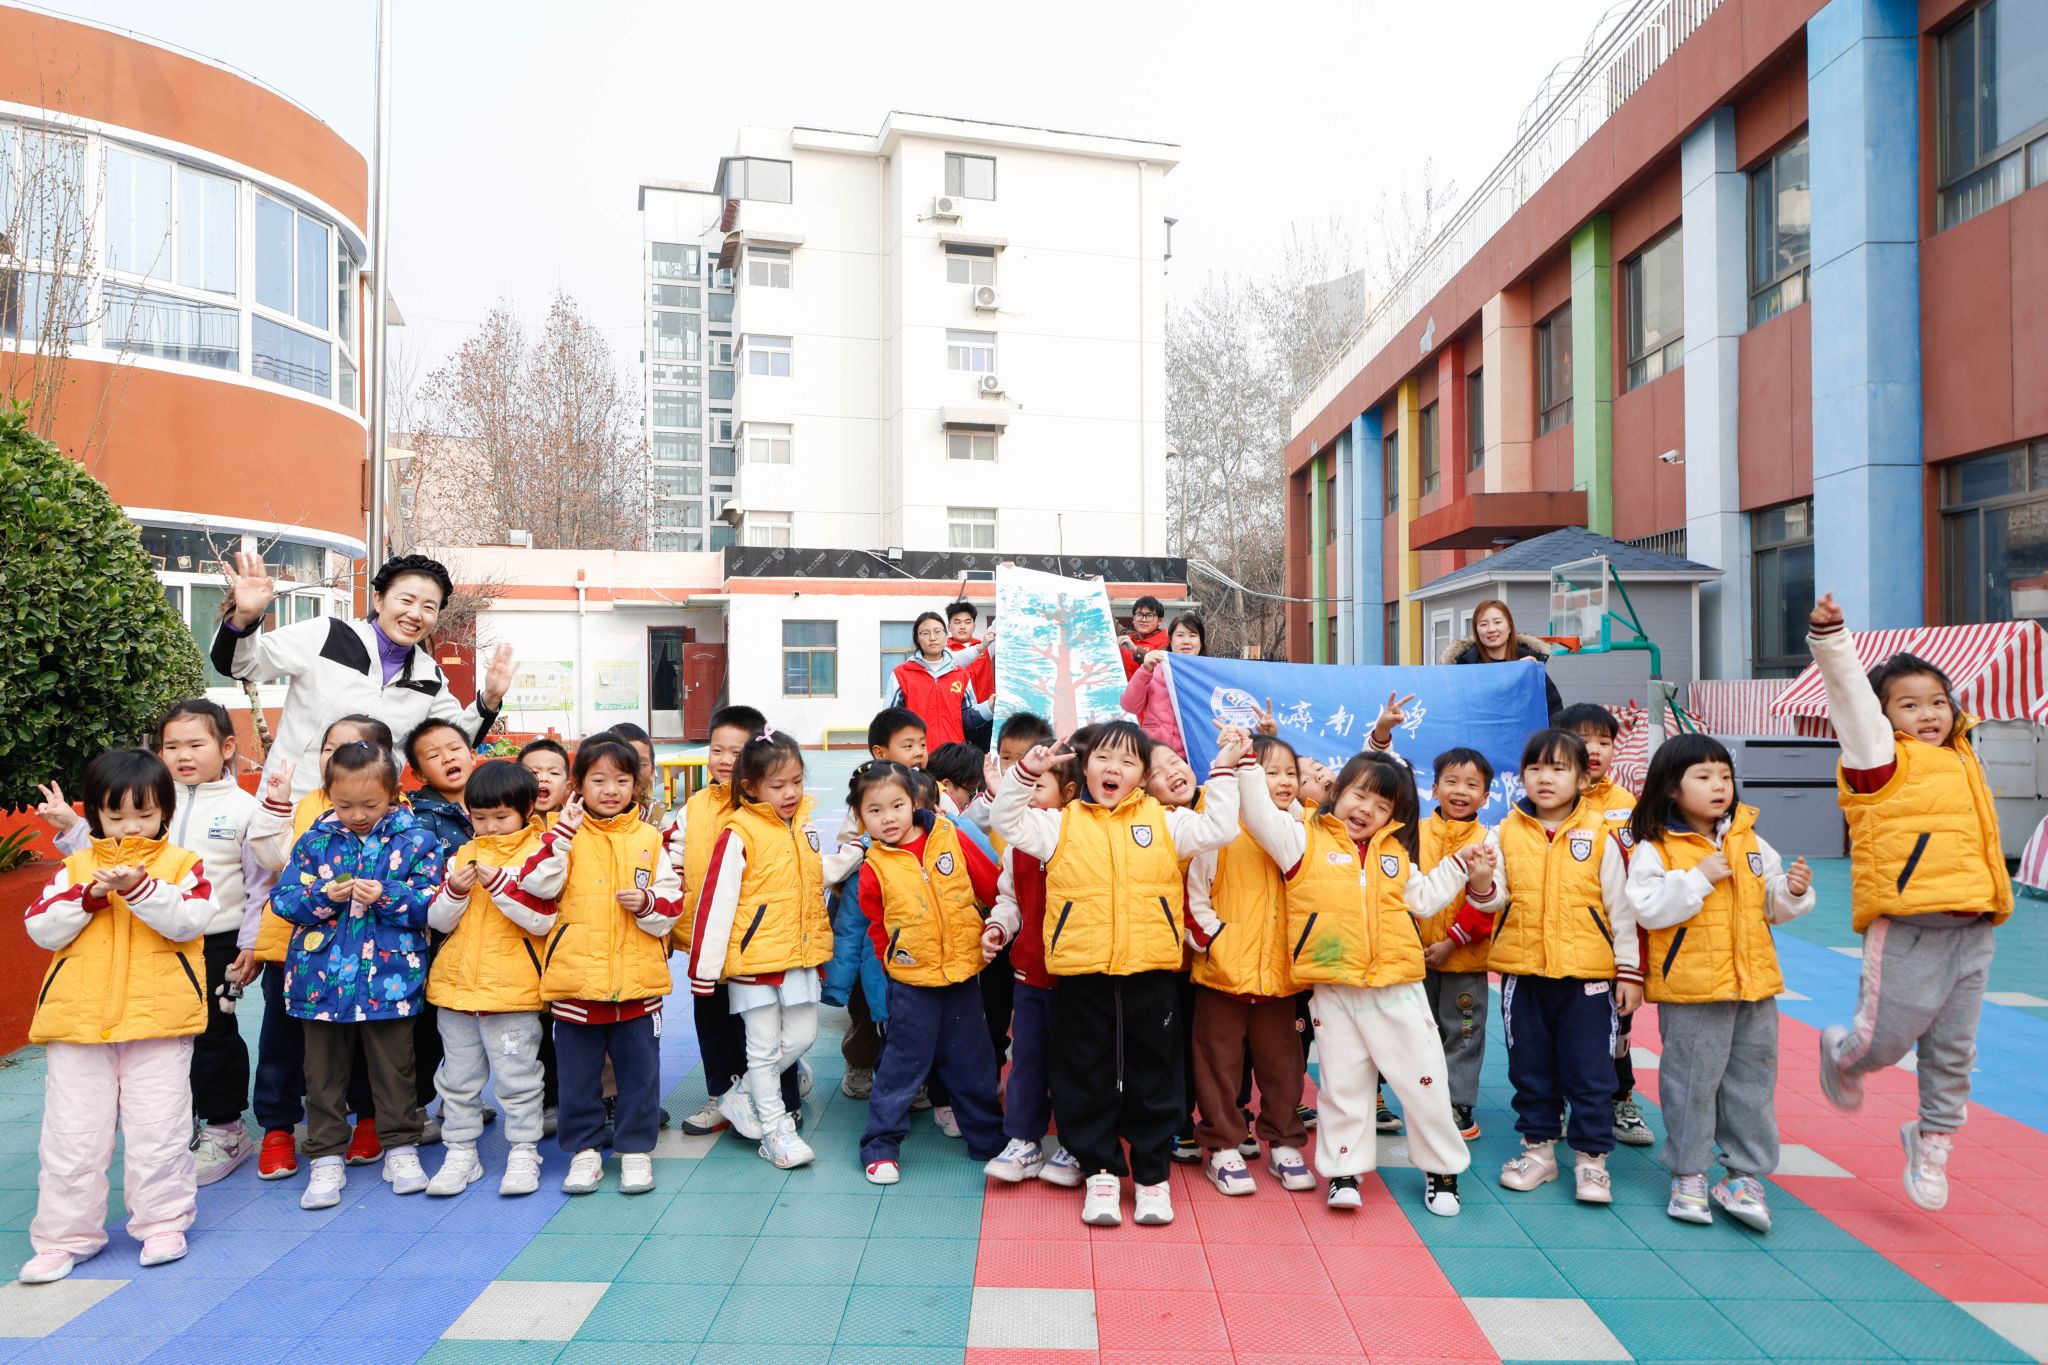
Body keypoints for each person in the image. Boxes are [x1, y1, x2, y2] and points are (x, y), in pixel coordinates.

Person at [992, 720, 1248, 1227]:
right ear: (1085, 768)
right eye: (1104, 758)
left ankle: (1152, 1177)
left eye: (1129, 761)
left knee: (1153, 1076)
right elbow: (1008, 820)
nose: (1114, 769)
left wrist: (1223, 769)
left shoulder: (1166, 822)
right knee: (1085, 1074)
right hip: (1082, 975)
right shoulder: (1060, 825)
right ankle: (1101, 1173)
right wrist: (1026, 774)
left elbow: (1221, 828)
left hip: (1150, 974)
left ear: (1142, 776)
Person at [1809, 592, 2010, 1212]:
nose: (1929, 713)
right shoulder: (1880, 758)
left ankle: (1932, 1138)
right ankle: (1845, 1057)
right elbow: (1849, 697)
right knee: (1884, 1042)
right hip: (1909, 926)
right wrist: (1831, 641)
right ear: (1884, 715)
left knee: (1954, 1050)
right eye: (1910, 704)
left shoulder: (1963, 755)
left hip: (1973, 926)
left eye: (1938, 701)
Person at [39, 699, 272, 1187]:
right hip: (146, 937)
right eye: (171, 746)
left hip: (215, 937)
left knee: (213, 1033)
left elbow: (259, 884)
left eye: (196, 744)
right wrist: (71, 827)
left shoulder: (243, 809)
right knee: (162, 1037)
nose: (183, 755)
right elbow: (105, 855)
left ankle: (226, 1128)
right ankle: (177, 1124)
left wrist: (252, 943)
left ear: (228, 747)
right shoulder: (149, 798)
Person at [1237, 749, 1478, 1215]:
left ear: (1393, 816)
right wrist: (1246, 763)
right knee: (1344, 1086)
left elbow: (1424, 899)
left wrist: (1460, 865)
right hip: (1334, 988)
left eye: (1382, 805)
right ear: (1338, 793)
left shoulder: (1394, 855)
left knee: (1426, 1080)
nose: (1367, 809)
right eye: (1359, 795)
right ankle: (1344, 1171)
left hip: (1398, 988)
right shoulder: (1302, 840)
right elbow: (1259, 814)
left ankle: (1442, 1169)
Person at [18, 748, 217, 1283]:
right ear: (96, 815)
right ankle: (64, 1239)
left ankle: (163, 1223)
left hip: (159, 1024)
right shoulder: (74, 868)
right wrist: (89, 897)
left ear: (165, 812)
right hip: (77, 1026)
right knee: (71, 1137)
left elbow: (189, 919)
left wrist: (139, 889)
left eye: (144, 814)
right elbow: (40, 928)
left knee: (160, 1131)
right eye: (116, 815)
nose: (131, 826)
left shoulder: (184, 865)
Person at [1625, 734, 1814, 1231]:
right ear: (1671, 787)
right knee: (1691, 1084)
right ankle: (1689, 1174)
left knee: (1752, 1083)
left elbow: (1771, 905)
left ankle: (1743, 1176)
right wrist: (1699, 877)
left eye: (1724, 776)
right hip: (1693, 990)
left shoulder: (1750, 840)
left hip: (1754, 986)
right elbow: (1647, 908)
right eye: (1704, 777)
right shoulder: (1656, 847)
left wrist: (1792, 892)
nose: (1718, 786)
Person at [271, 740, 445, 1211]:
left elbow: (434, 904)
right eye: (345, 804)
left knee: (395, 1067)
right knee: (322, 1073)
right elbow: (283, 900)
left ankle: (401, 1148)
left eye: (370, 803)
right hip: (319, 980)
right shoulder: (314, 841)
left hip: (390, 976)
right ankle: (326, 1156)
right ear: (328, 794)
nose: (358, 815)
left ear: (393, 791)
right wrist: (324, 896)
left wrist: (385, 894)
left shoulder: (417, 840)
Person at [688, 731, 866, 1169]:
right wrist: (705, 972)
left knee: (803, 1036)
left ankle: (741, 1093)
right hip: (754, 960)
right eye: (778, 785)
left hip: (800, 954)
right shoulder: (739, 832)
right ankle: (776, 1132)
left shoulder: (803, 825)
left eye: (797, 781)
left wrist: (850, 856)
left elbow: (812, 874)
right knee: (763, 1048)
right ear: (750, 786)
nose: (790, 793)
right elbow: (716, 902)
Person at [212, 551, 515, 800]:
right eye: (406, 600)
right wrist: (244, 618)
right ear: (378, 599)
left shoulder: (429, 676)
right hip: (291, 806)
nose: (415, 614)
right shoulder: (327, 636)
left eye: (428, 607)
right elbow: (243, 665)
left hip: (371, 821)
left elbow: (454, 740)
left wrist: (489, 698)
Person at [1488, 729, 1639, 1205]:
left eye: (1558, 769)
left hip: (1588, 980)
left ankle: (1592, 1162)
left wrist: (1629, 971)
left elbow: (1622, 909)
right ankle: (1539, 1153)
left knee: (1591, 1072)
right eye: (1535, 768)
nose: (1545, 778)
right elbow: (1493, 899)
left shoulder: (1602, 834)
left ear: (1582, 779)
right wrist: (1480, 881)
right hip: (1524, 976)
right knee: (1530, 1068)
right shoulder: (1504, 832)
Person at [245, 715, 393, 1178]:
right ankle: (278, 1128)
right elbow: (271, 861)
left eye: (352, 748)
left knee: (366, 1042)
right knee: (283, 1041)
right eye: (330, 748)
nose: (336, 756)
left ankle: (368, 1118)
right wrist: (276, 805)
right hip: (295, 950)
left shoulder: (395, 816)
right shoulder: (304, 806)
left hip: (369, 953)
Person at [848, 762, 1006, 1183]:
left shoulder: (948, 835)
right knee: (902, 1065)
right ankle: (881, 1145)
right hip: (911, 983)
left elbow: (990, 886)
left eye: (897, 805)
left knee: (973, 1061)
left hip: (962, 976)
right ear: (860, 816)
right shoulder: (874, 866)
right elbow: (877, 926)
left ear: (913, 802)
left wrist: (997, 925)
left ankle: (988, 1139)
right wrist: (891, 965)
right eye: (875, 811)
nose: (888, 818)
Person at [542, 736, 681, 1196]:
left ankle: (636, 1151)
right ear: (578, 784)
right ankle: (584, 1152)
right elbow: (539, 889)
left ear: (636, 785)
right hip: (575, 982)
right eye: (598, 780)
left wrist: (648, 903)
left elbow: (672, 901)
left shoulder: (648, 838)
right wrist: (560, 838)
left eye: (622, 780)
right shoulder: (559, 834)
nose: (610, 790)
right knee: (577, 1077)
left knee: (640, 1075)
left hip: (637, 983)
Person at [425, 760, 570, 1198]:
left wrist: (502, 886)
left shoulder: (540, 854)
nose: (489, 826)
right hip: (456, 989)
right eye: (480, 817)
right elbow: (438, 921)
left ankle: (524, 1151)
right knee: (457, 1079)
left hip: (513, 991)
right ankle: (461, 1152)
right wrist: (455, 891)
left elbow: (542, 920)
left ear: (527, 810)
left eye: (501, 816)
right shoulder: (462, 854)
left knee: (518, 1077)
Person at [1183, 734, 1314, 1196]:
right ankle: (1223, 1145)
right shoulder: (1220, 825)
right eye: (1270, 771)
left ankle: (1284, 1142)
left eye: (1290, 772)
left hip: (1281, 976)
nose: (1283, 781)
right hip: (1223, 972)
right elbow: (1194, 894)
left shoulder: (1304, 828)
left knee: (1284, 1066)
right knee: (1217, 1063)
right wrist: (1214, 940)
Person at [667, 706, 803, 1139]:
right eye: (716, 750)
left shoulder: (773, 808)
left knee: (767, 1025)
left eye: (736, 751)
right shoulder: (693, 808)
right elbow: (673, 860)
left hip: (759, 943)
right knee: (713, 1023)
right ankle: (721, 1096)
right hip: (709, 940)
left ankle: (783, 1100)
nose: (725, 760)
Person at [981, 754, 1085, 1189]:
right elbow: (1011, 899)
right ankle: (1023, 1140)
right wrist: (999, 927)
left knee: (1074, 1063)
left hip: (1075, 977)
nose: (1026, 796)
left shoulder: (1080, 835)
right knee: (1026, 1060)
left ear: (1069, 793)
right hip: (1029, 972)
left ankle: (1076, 1143)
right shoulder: (1018, 846)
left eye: (1037, 787)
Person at [1553, 701, 1651, 1149]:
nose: (1594, 750)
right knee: (1559, 1026)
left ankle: (1620, 1099)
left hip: (1613, 939)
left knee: (1618, 1025)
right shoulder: (1549, 800)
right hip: (1561, 938)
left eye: (1604, 741)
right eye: (1583, 739)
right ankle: (1555, 1101)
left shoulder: (1626, 805)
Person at [1414, 747, 1499, 1141]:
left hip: (1465, 960)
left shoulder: (1489, 840)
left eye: (1471, 784)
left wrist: (1453, 941)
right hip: (1415, 960)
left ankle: (1458, 1105)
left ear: (1485, 796)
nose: (1460, 791)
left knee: (1463, 1032)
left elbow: (1488, 901)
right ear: (1434, 789)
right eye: (1451, 781)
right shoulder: (1414, 832)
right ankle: (1424, 1103)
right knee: (1420, 1033)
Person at [403, 718, 478, 1143]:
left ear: (473, 754)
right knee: (430, 1027)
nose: (447, 757)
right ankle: (416, 1106)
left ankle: (459, 1099)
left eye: (454, 748)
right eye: (433, 755)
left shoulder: (494, 801)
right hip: (437, 942)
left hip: (486, 937)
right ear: (418, 772)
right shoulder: (417, 818)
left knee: (473, 1028)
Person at [1440, 598, 1564, 720]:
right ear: (1476, 631)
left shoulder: (1530, 665)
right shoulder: (1462, 668)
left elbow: (1554, 711)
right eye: (1483, 624)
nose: (1491, 629)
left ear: (1509, 627)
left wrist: (1524, 672)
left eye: (1497, 622)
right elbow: (1450, 711)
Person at [889, 613, 991, 752]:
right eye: (925, 633)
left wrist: (989, 706)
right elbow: (890, 720)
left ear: (946, 635)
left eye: (937, 631)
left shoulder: (960, 675)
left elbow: (967, 718)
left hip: (953, 756)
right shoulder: (901, 674)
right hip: (917, 756)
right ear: (917, 638)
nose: (932, 637)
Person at [1119, 612, 1206, 757]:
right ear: (1170, 640)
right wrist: (1145, 670)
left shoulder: (1208, 676)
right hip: (1154, 754)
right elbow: (1129, 705)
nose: (1186, 641)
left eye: (1192, 635)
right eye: (1180, 635)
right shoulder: (1154, 670)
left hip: (1195, 757)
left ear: (1201, 641)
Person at [606, 722, 667, 827]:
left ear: (652, 772)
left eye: (640, 764)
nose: (632, 771)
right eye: (619, 763)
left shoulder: (662, 825)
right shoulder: (579, 823)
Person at [945, 599, 996, 705]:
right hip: (960, 710)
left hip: (988, 709)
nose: (962, 627)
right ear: (949, 627)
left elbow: (999, 624)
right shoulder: (944, 652)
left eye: (967, 622)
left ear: (974, 626)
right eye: (957, 622)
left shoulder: (986, 645)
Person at [518, 738, 572, 822]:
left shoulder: (583, 825)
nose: (543, 778)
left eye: (554, 773)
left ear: (567, 788)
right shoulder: (505, 826)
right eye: (534, 772)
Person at [1118, 595, 1170, 678]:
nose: (1143, 619)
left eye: (1149, 615)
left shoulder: (1167, 643)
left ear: (1160, 621)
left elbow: (1156, 666)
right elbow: (1109, 621)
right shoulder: (1128, 637)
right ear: (1133, 619)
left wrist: (1135, 650)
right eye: (1139, 614)